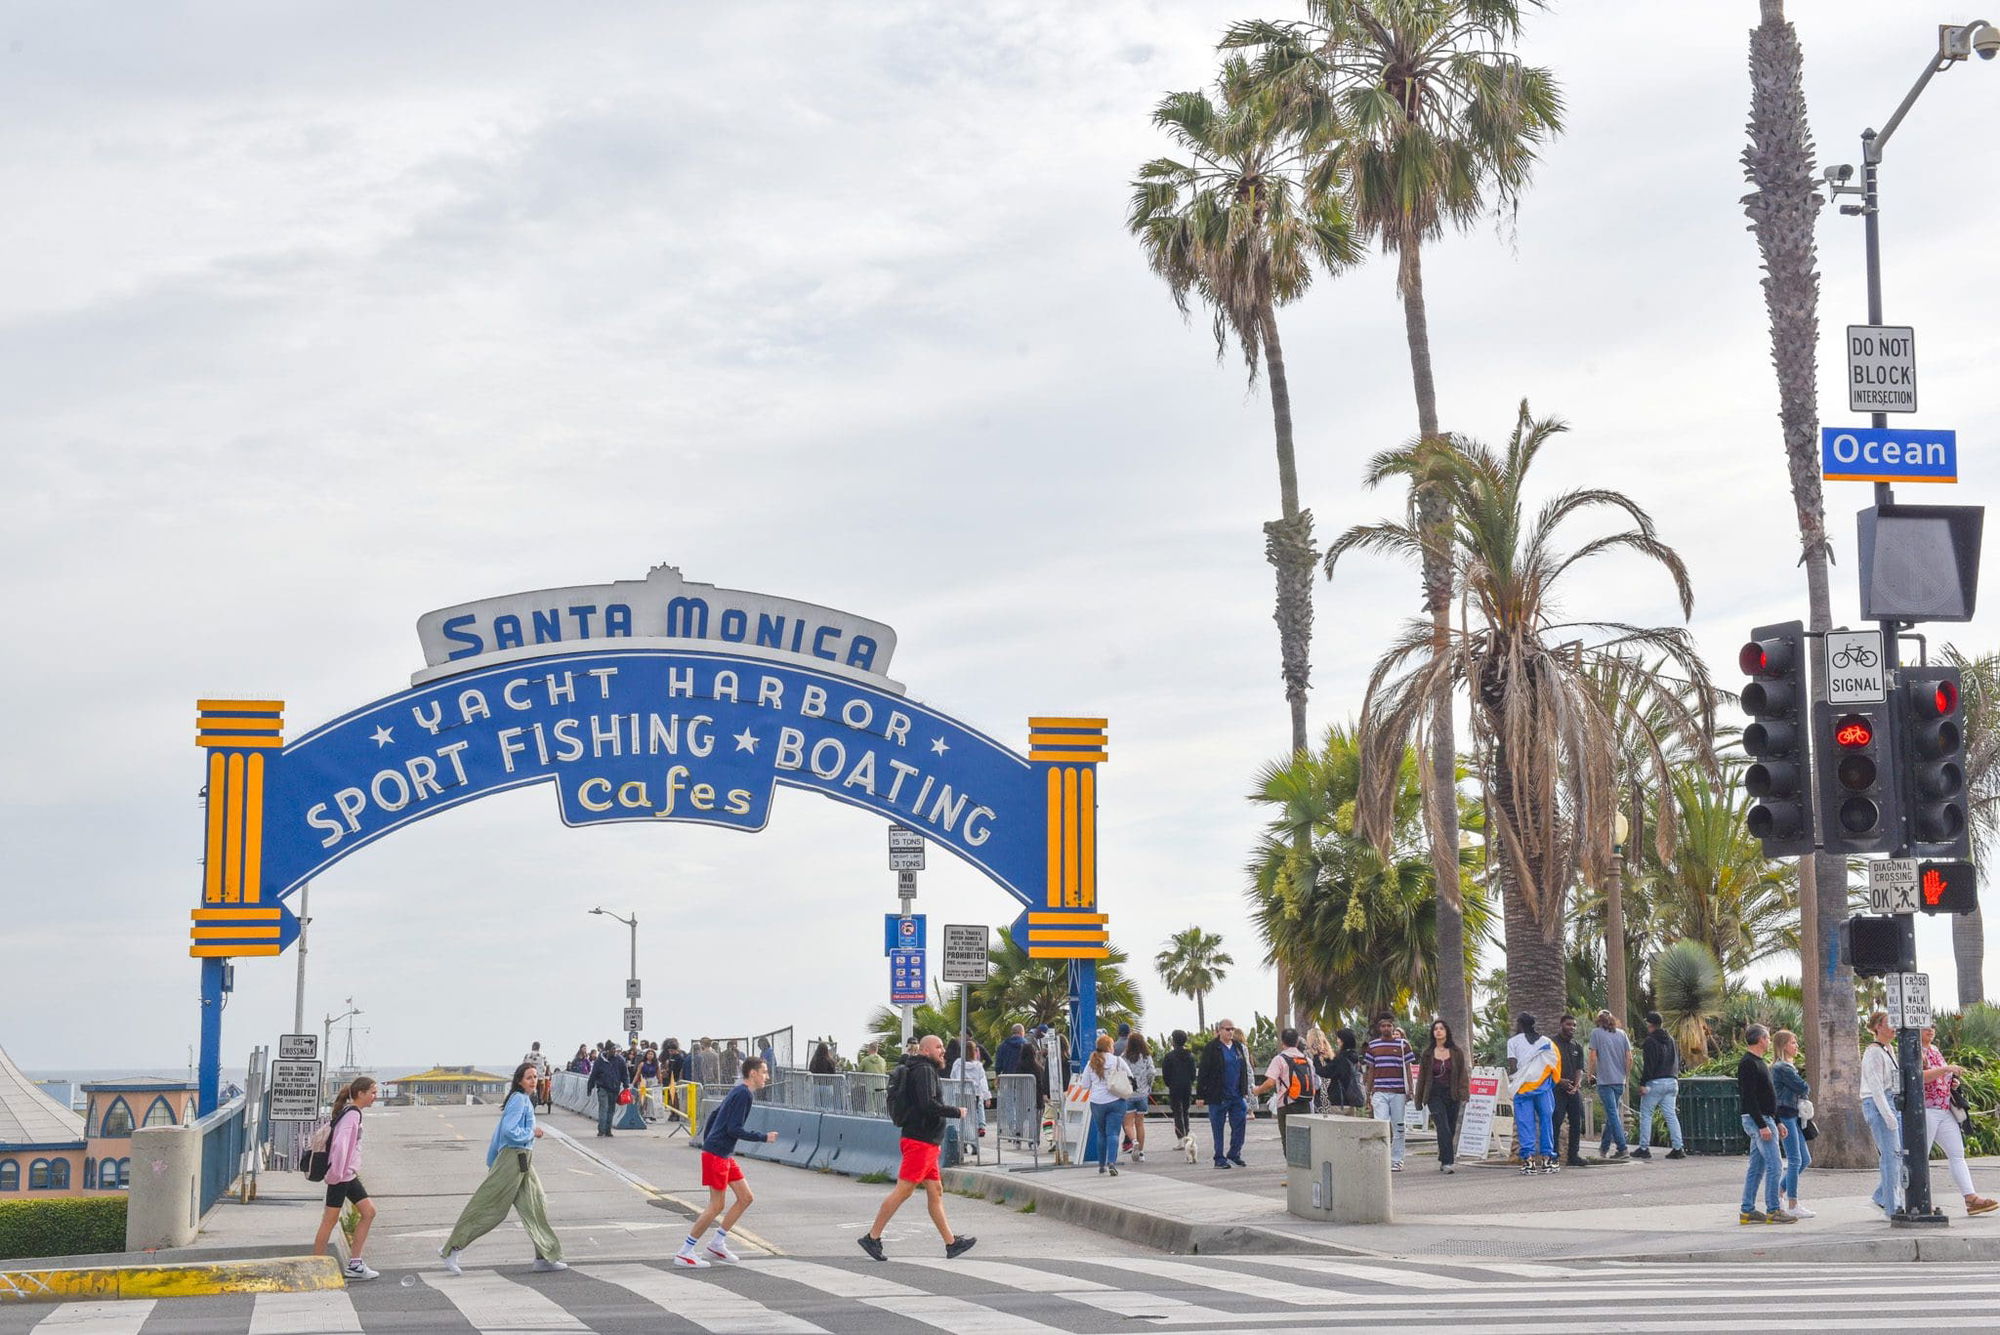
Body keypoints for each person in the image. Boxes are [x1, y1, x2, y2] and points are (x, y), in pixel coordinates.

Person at [439, 1063, 567, 1274]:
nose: (533, 1080)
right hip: (512, 1158)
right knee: (490, 1207)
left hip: (523, 1158)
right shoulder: (518, 1100)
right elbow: (509, 1132)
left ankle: (544, 1256)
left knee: (536, 1205)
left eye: (535, 1077)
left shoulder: (525, 1099)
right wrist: (531, 1133)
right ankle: (451, 1249)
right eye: (528, 1077)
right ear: (519, 1081)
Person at [858, 1035, 976, 1261]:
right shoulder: (924, 1070)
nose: (942, 1050)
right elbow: (927, 1105)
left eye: (942, 1046)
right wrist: (956, 1112)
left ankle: (951, 1243)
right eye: (938, 1047)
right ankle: (872, 1238)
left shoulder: (923, 1068)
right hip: (920, 1141)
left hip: (926, 1141)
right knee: (905, 1190)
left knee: (936, 1191)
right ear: (925, 1050)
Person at [675, 1056, 782, 1269]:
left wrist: (711, 1140)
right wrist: (763, 1137)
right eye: (764, 1072)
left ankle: (717, 1244)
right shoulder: (744, 1094)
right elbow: (734, 1129)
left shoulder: (739, 1090)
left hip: (722, 1153)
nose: (766, 1077)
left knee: (745, 1197)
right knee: (716, 1206)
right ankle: (685, 1252)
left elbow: (715, 1114)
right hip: (717, 1154)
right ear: (752, 1073)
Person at [1920, 1025, 1999, 1217]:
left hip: (1944, 1107)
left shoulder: (1935, 1050)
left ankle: (1971, 1198)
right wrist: (1946, 1069)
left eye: (1932, 1028)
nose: (1930, 1031)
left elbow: (1938, 1075)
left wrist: (1951, 1080)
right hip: (1926, 1108)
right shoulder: (1913, 1050)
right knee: (1920, 1156)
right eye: (1925, 1028)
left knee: (1957, 1153)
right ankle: (1914, 1199)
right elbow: (1920, 1077)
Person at [312, 1076, 380, 1282]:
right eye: (373, 1093)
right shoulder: (352, 1116)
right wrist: (335, 1176)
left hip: (347, 1175)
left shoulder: (353, 1113)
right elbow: (340, 1147)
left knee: (369, 1212)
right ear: (361, 1094)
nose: (375, 1097)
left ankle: (355, 1264)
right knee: (329, 1221)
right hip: (340, 1176)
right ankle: (316, 1267)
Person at [1736, 1025, 1795, 1224]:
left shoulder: (1759, 1063)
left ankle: (1747, 1209)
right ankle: (1773, 1208)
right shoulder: (1748, 1064)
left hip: (1766, 1118)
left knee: (1757, 1167)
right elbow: (1749, 1097)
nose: (1769, 1041)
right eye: (1768, 1038)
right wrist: (1762, 1125)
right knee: (1775, 1164)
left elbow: (1768, 1096)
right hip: (1758, 1119)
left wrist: (1777, 1121)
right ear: (1761, 1039)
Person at [1861, 1010, 1904, 1220]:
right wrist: (1888, 1116)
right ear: (1878, 1026)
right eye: (1888, 1023)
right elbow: (1876, 1086)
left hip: (1891, 1101)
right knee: (1890, 1155)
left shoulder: (1889, 1049)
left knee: (1897, 1155)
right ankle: (1891, 1205)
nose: (1893, 1027)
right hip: (1878, 1103)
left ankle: (1883, 1195)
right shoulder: (1873, 1052)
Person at [1362, 1013, 1417, 1172]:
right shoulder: (1373, 1046)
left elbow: (1407, 1068)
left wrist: (1410, 1089)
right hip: (1379, 1092)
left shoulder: (1403, 1045)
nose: (1386, 1028)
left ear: (1393, 1027)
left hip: (1398, 1091)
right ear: (1379, 1028)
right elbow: (1371, 1070)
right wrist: (1368, 1093)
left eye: (1389, 1025)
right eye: (1383, 1026)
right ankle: (1382, 1158)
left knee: (1398, 1126)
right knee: (1381, 1125)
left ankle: (1397, 1160)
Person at [1414, 1019, 1469, 1174]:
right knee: (1442, 1127)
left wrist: (1464, 1092)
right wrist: (1419, 1099)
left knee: (1450, 1128)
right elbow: (1422, 1077)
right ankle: (1447, 1162)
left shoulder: (1456, 1052)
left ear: (1446, 1032)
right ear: (1433, 1033)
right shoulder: (1428, 1053)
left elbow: (1462, 1074)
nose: (1438, 1031)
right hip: (1434, 1095)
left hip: (1452, 1094)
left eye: (1441, 1028)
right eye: (1436, 1029)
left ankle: (1443, 1155)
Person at [1506, 1014, 1559, 1175]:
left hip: (1523, 1088)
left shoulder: (1513, 1042)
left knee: (1525, 1123)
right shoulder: (1546, 1042)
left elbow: (1513, 1067)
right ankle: (1547, 1159)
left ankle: (1529, 1161)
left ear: (1519, 1024)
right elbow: (1554, 1063)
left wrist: (1522, 1074)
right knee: (1546, 1121)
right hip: (1543, 1087)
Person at [1770, 1029, 1815, 1219]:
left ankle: (1780, 1191)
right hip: (1786, 1115)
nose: (1796, 1046)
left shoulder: (1787, 1067)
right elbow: (1803, 1087)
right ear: (1783, 1046)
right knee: (1795, 1159)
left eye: (1796, 1042)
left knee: (1805, 1159)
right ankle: (1793, 1202)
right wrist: (1804, 1088)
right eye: (1792, 1043)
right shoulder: (1782, 1068)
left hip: (1793, 1115)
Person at [1196, 1018, 1252, 1168]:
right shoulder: (1212, 1048)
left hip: (1236, 1095)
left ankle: (1234, 1153)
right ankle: (1219, 1158)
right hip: (1218, 1096)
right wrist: (1200, 1095)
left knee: (1240, 1124)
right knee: (1218, 1128)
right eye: (1227, 1029)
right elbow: (1203, 1072)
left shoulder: (1238, 1047)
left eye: (1232, 1029)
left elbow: (1244, 1070)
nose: (1230, 1032)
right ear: (1219, 1030)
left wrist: (1244, 1090)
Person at [1632, 1011, 1685, 1160]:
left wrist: (1643, 1083)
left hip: (1655, 1082)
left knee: (1646, 1114)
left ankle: (1644, 1148)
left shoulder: (1650, 1041)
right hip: (1672, 1081)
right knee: (1671, 1115)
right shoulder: (1671, 1040)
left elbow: (1649, 1064)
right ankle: (1678, 1147)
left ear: (1650, 1024)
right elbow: (1677, 1060)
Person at [1254, 1027, 1318, 1143]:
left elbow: (1270, 1083)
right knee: (1304, 1141)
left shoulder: (1279, 1059)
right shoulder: (1307, 1061)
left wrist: (1257, 1091)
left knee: (1288, 1141)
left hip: (1287, 1105)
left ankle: (1291, 1161)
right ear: (1297, 1042)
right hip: (1305, 1104)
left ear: (1282, 1042)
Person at [1081, 1034, 1134, 1175]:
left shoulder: (1091, 1063)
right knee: (1113, 1133)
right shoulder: (1118, 1060)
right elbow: (1131, 1077)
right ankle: (1112, 1162)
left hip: (1097, 1102)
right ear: (1109, 1047)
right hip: (1116, 1101)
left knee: (1101, 1133)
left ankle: (1101, 1165)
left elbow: (1084, 1085)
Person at [1587, 1010, 1631, 1160]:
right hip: (1620, 1080)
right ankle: (1603, 1149)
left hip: (1605, 1081)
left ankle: (1622, 1148)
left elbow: (1593, 1057)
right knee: (1612, 1115)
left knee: (1612, 1114)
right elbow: (1629, 1057)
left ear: (1598, 1020)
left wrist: (1590, 1074)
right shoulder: (1622, 1034)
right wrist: (1626, 1075)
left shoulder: (1596, 1033)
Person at [1550, 1015, 1591, 1168]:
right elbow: (1546, 1067)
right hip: (1557, 1090)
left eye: (1574, 1025)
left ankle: (1573, 1156)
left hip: (1573, 1091)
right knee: (1556, 1121)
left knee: (1576, 1121)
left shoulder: (1576, 1046)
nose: (1572, 1028)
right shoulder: (1552, 1044)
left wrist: (1577, 1084)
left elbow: (1579, 1068)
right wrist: (1560, 1081)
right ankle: (1553, 1156)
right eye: (1569, 1025)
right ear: (1561, 1025)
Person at [1119, 1033, 1155, 1161]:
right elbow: (1152, 1072)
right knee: (1140, 1124)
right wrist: (1148, 1086)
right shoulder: (1146, 1057)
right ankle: (1141, 1152)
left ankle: (1133, 1141)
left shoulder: (1124, 1057)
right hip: (1142, 1095)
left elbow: (1119, 1072)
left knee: (1128, 1124)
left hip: (1129, 1095)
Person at [951, 1041, 992, 1146]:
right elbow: (983, 1082)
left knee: (962, 1118)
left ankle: (963, 1140)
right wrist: (987, 1096)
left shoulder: (957, 1063)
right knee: (973, 1117)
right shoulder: (978, 1065)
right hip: (975, 1094)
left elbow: (953, 1077)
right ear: (975, 1051)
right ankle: (973, 1140)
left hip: (960, 1093)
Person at [1161, 1030, 1196, 1148]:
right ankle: (1187, 1135)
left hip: (1174, 1087)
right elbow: (1193, 1074)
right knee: (1185, 1112)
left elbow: (1165, 1074)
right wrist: (1189, 1082)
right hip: (1187, 1086)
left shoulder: (1169, 1056)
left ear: (1173, 1041)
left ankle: (1181, 1138)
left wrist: (1169, 1084)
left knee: (1177, 1113)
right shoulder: (1190, 1056)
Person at [589, 1039, 628, 1136]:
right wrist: (590, 1086)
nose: (614, 1051)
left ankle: (608, 1130)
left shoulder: (620, 1060)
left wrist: (626, 1085)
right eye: (612, 1049)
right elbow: (594, 1074)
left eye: (615, 1049)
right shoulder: (600, 1061)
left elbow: (624, 1074)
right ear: (607, 1050)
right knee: (603, 1108)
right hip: (603, 1088)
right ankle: (601, 1130)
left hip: (614, 1088)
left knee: (611, 1109)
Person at [1329, 1029, 1366, 1109]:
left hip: (1339, 1098)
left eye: (1339, 1039)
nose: (1337, 1041)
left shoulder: (1341, 1058)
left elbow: (1330, 1073)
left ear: (1343, 1041)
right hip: (1353, 1098)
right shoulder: (1355, 1057)